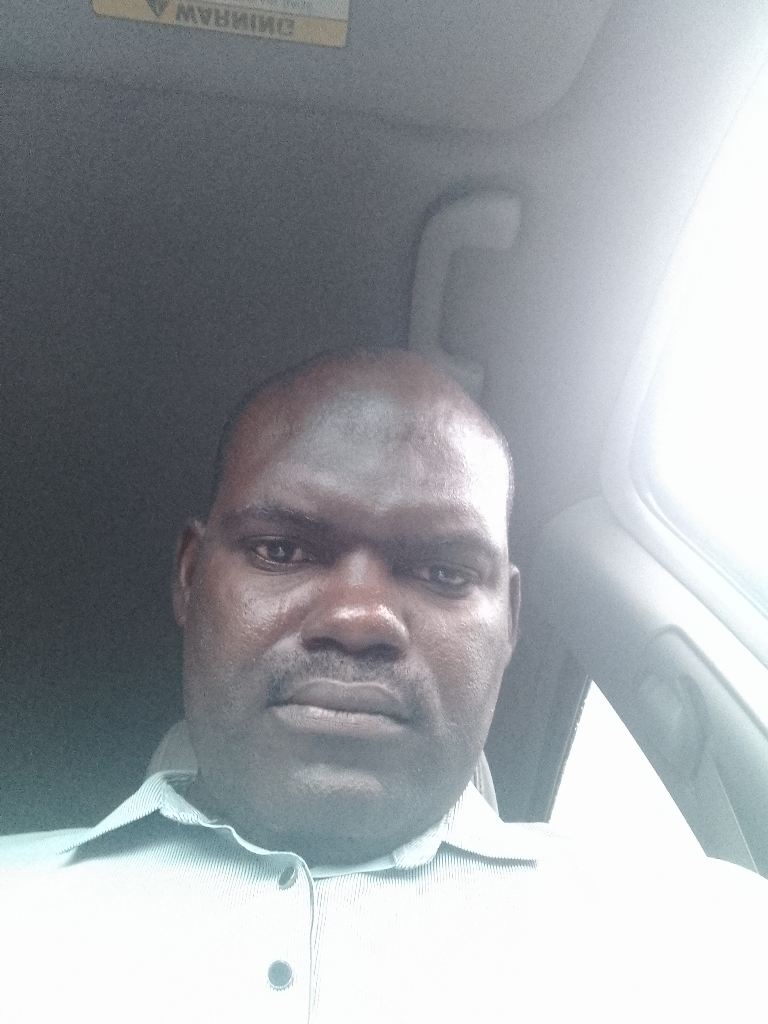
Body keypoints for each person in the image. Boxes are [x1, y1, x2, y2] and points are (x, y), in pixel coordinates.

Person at [1, 348, 767, 1023]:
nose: (359, 617)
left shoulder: (705, 943)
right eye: (281, 549)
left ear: (511, 620)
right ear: (190, 577)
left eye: (443, 572)